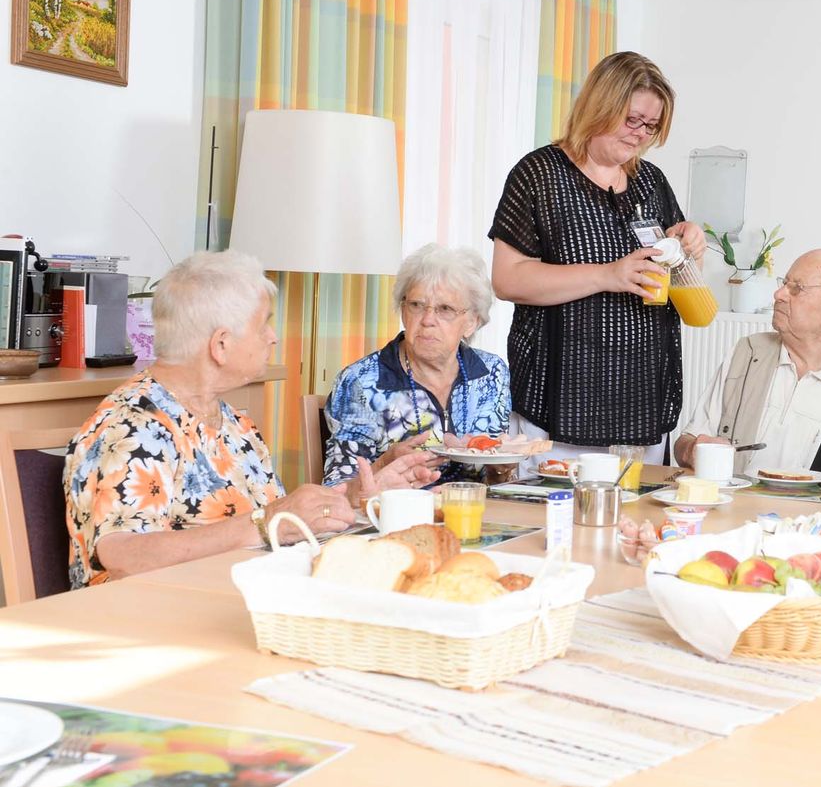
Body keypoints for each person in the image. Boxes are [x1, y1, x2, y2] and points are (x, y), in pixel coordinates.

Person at [64, 251, 437, 589]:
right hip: (153, 623)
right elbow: (123, 556)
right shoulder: (134, 428)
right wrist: (267, 520)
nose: (273, 337)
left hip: (240, 602)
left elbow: (280, 525)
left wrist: (353, 496)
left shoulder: (235, 426)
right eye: (264, 325)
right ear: (221, 345)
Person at [489, 51, 706, 456]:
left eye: (652, 126)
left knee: (638, 518)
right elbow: (507, 279)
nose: (640, 134)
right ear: (599, 106)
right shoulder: (539, 174)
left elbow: (677, 276)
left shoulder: (651, 182)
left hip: (641, 401)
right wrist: (608, 275)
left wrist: (689, 245)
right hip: (562, 400)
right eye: (632, 120)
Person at [675, 249, 821, 476]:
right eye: (784, 284)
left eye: (797, 288)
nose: (779, 294)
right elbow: (685, 443)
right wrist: (693, 450)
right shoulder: (746, 354)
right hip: (738, 515)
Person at [324, 244, 509, 486]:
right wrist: (386, 463)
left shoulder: (491, 373)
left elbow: (494, 475)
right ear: (403, 310)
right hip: (396, 515)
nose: (428, 320)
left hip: (472, 514)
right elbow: (337, 487)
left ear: (471, 322)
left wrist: (502, 470)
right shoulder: (362, 381)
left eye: (445, 309)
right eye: (417, 305)